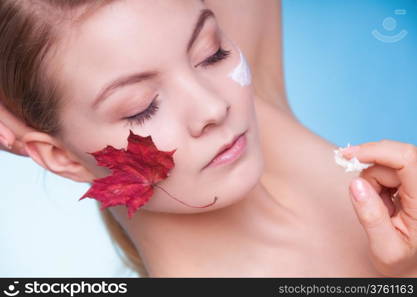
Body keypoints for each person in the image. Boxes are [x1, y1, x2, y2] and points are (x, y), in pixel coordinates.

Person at [1, 0, 416, 278]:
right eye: (141, 107)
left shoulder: (253, 112)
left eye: (211, 52)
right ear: (61, 157)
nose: (213, 108)